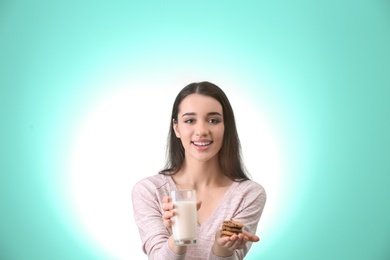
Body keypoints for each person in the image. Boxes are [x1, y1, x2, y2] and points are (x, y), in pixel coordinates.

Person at [132, 81, 266, 259]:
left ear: (226, 127)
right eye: (190, 120)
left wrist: (222, 248)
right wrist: (179, 235)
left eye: (213, 120)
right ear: (176, 128)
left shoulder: (248, 194)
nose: (202, 130)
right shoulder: (149, 190)